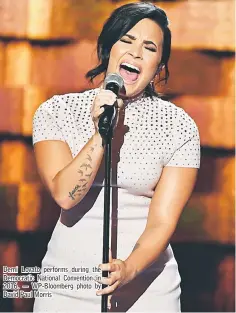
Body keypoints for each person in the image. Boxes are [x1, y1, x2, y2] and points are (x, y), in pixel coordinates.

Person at [32, 2, 200, 312]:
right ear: (108, 48)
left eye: (149, 47)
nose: (136, 53)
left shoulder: (178, 126)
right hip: (67, 284)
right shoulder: (56, 111)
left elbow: (162, 221)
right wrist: (101, 133)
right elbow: (66, 196)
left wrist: (129, 269)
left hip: (147, 287)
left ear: (159, 65)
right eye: (127, 40)